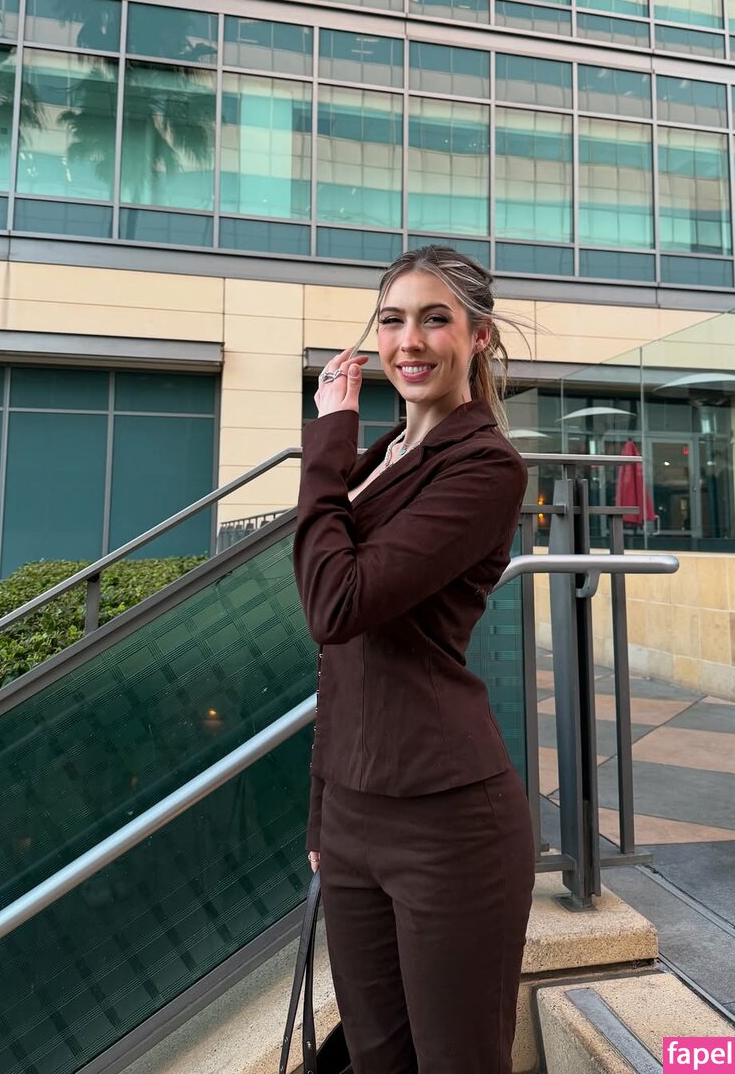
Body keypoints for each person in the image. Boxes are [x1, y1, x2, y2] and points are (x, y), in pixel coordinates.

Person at [292, 246, 535, 1074]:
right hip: (351, 814)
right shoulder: (383, 459)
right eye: (393, 320)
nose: (410, 341)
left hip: (448, 822)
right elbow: (342, 659)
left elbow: (336, 603)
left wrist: (328, 437)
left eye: (436, 319)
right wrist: (324, 811)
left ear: (479, 337)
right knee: (375, 1059)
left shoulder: (485, 467)